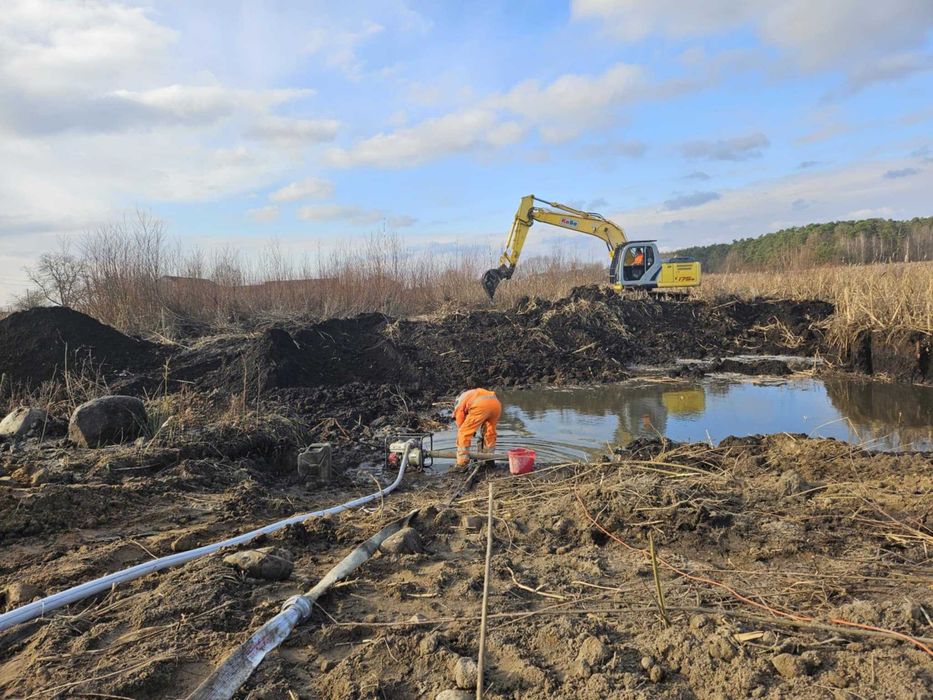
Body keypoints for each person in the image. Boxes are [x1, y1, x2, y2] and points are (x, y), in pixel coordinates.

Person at [453, 388, 501, 467]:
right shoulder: (473, 393)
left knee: (463, 433)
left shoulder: (460, 399)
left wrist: (468, 430)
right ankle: (489, 459)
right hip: (496, 405)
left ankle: (462, 464)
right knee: (490, 432)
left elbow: (460, 417)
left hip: (481, 406)